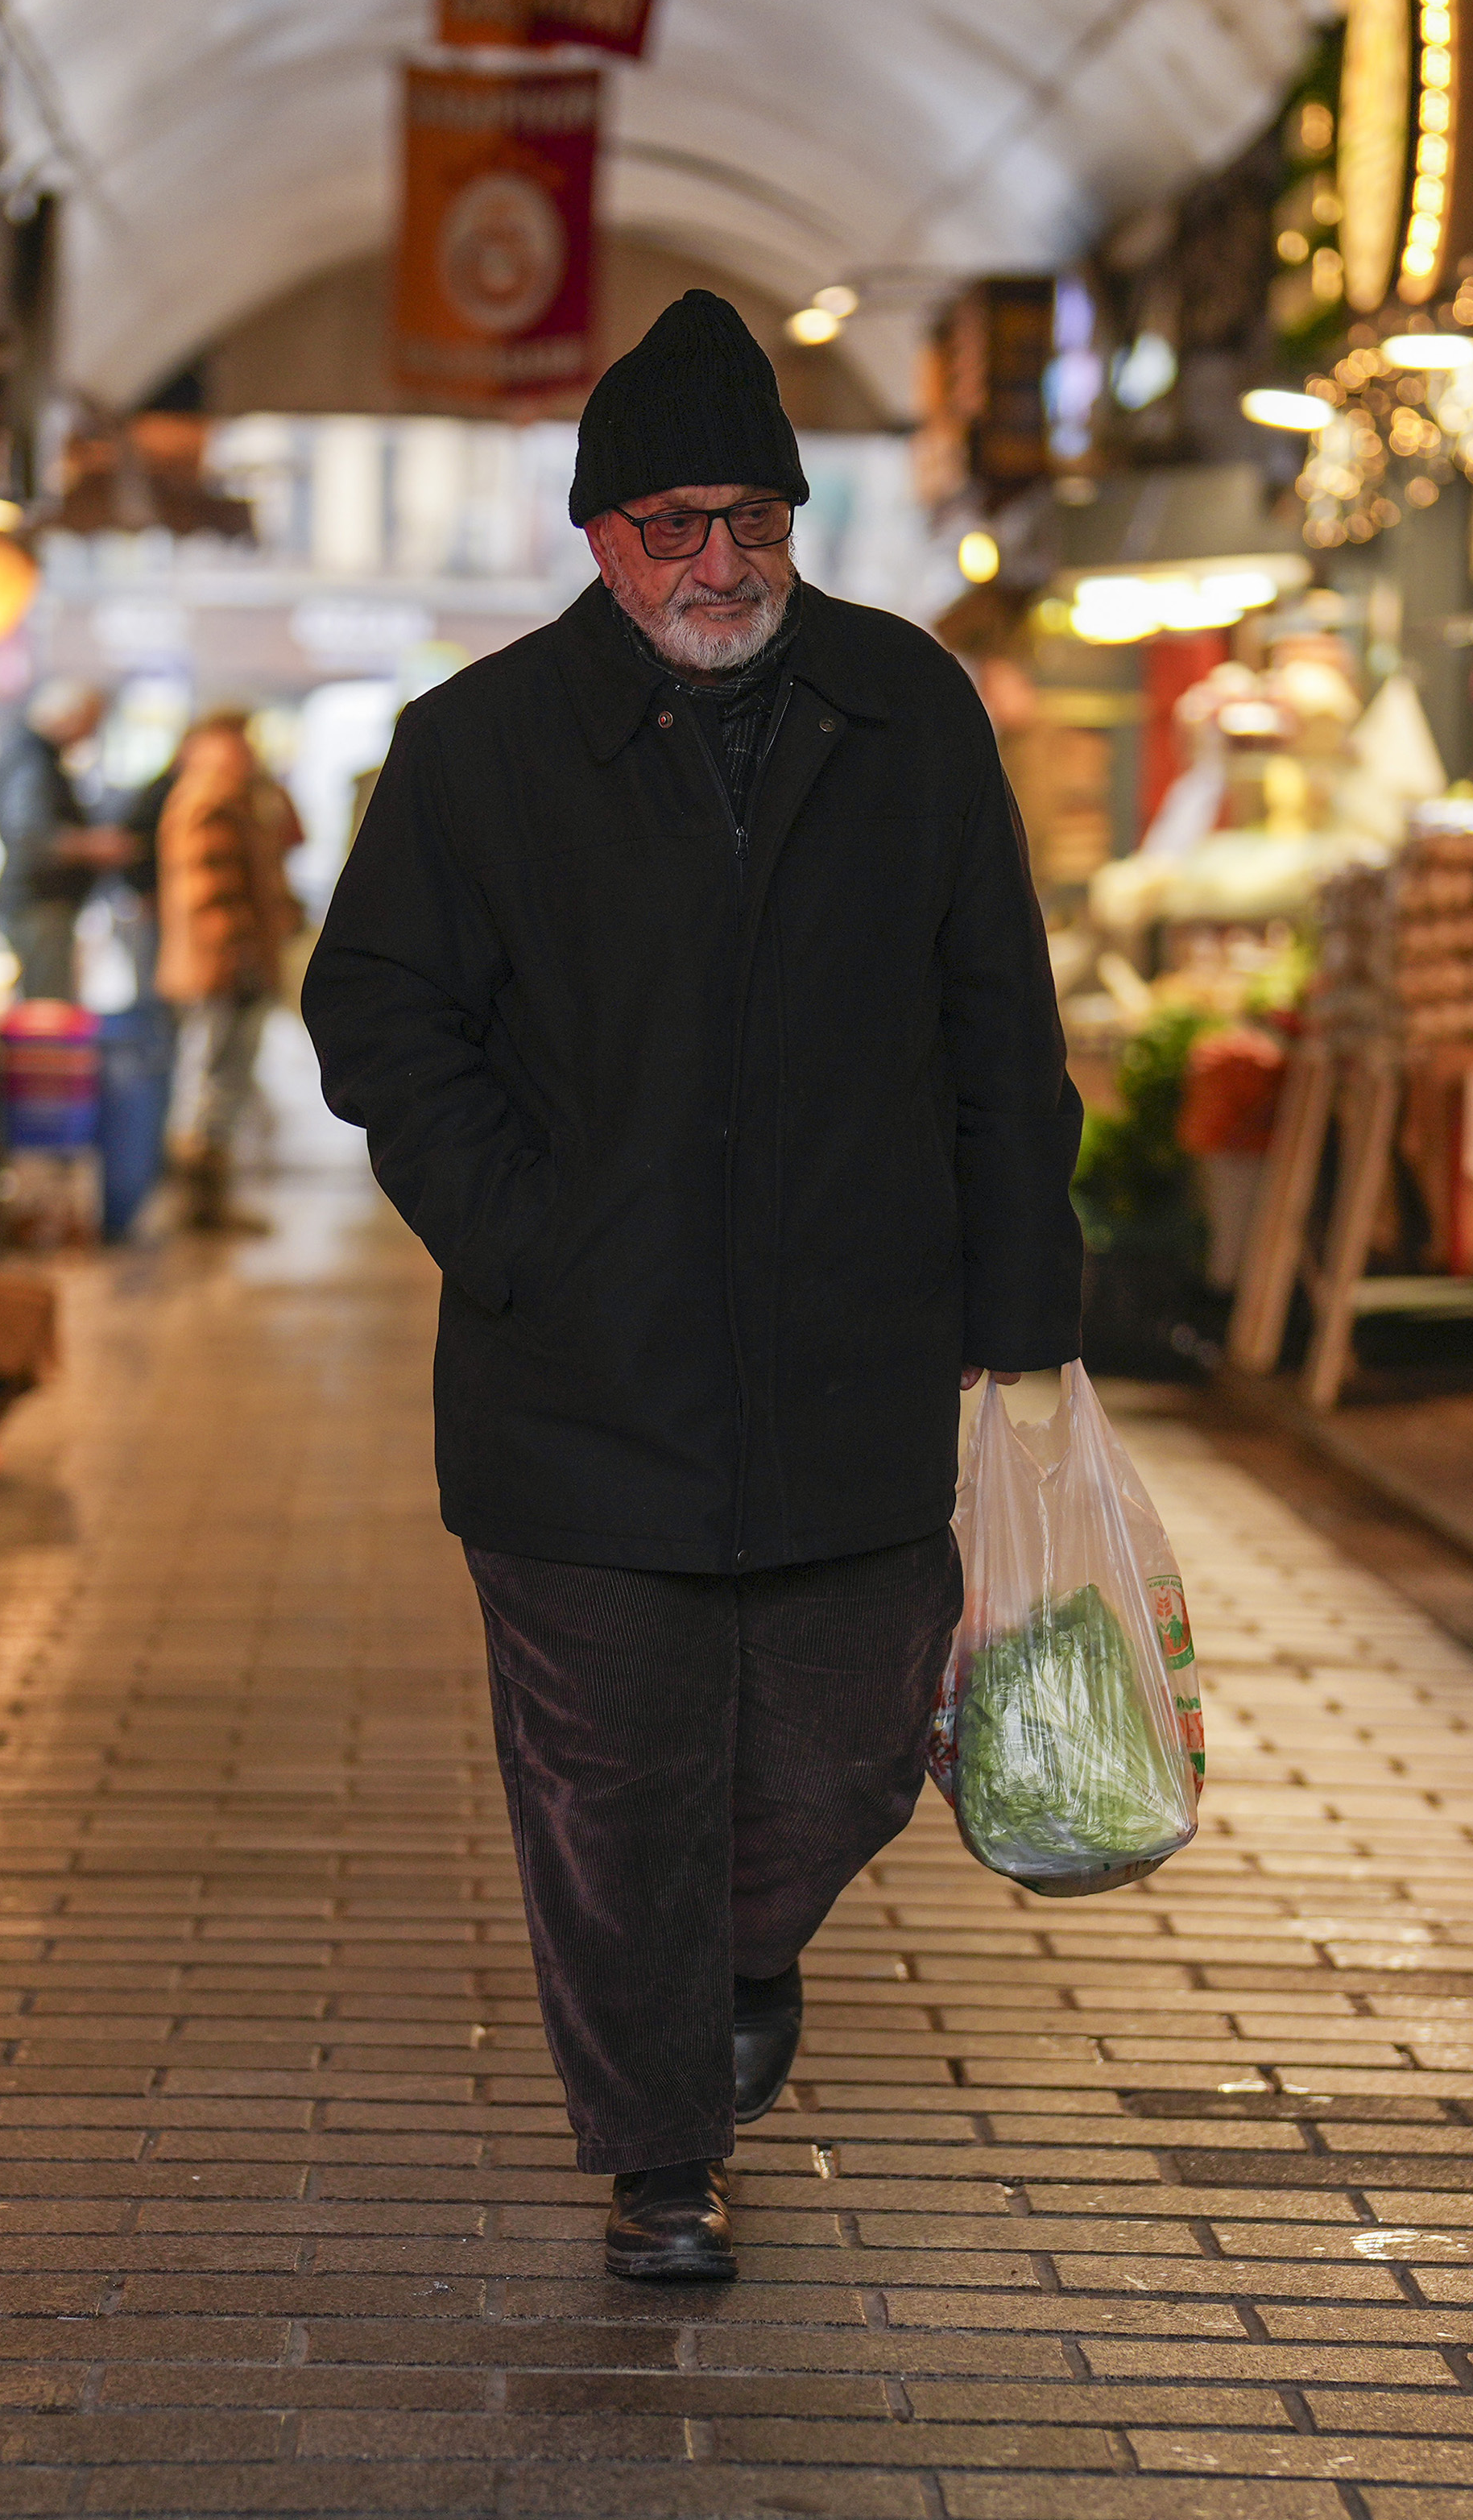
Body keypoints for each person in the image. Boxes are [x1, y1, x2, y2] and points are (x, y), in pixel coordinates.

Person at [302, 291, 1086, 2284]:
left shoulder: (908, 715)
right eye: (671, 524)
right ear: (597, 537)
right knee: (610, 1784)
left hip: (855, 1361)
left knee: (842, 1744)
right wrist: (520, 1230)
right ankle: (663, 2158)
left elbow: (999, 1022)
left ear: (796, 521)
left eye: (750, 516)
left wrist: (1027, 1322)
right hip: (578, 1383)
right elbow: (374, 1015)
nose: (716, 561)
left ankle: (731, 1955)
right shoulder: (474, 751)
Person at [149, 709, 305, 1232]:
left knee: (222, 1079)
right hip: (220, 966)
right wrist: (240, 954)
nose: (248, 750)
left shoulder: (239, 796)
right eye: (237, 741)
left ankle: (208, 1204)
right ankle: (198, 1207)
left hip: (231, 962)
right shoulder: (210, 799)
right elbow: (210, 891)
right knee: (211, 1080)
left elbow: (291, 839)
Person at [0, 678, 136, 1003]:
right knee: (46, 1008)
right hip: (38, 902)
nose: (92, 734)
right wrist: (92, 846)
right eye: (91, 723)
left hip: (40, 902)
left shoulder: (38, 756)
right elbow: (29, 834)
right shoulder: (32, 759)